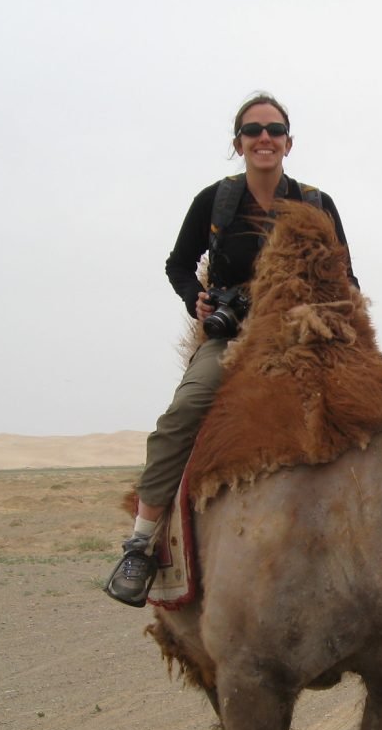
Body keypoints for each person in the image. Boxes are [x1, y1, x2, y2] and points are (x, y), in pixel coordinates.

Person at [105, 92, 358, 607]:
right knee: (183, 414)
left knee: (369, 408)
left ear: (289, 141)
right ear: (237, 142)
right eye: (252, 130)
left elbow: (347, 277)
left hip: (303, 335)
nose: (263, 138)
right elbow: (178, 263)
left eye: (274, 130)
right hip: (233, 339)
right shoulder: (215, 201)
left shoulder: (316, 203)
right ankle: (142, 543)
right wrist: (194, 300)